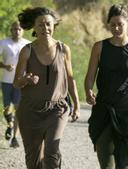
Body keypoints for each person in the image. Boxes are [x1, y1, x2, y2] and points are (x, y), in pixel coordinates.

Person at [85, 4, 128, 169]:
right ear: (108, 24)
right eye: (112, 24)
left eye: (120, 24)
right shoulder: (99, 47)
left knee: (123, 162)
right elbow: (90, 75)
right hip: (104, 106)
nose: (116, 28)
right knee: (105, 157)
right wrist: (88, 90)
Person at [13, 7, 80, 169]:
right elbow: (16, 82)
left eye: (48, 24)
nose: (45, 28)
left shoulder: (63, 50)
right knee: (33, 159)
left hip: (56, 109)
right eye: (40, 25)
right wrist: (26, 79)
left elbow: (70, 79)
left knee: (52, 150)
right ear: (34, 28)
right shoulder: (27, 51)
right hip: (30, 111)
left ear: (54, 26)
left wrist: (77, 105)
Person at [0, 21, 30, 148]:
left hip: (21, 82)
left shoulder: (28, 44)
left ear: (23, 30)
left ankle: (14, 137)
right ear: (11, 30)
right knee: (7, 108)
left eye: (19, 29)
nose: (17, 31)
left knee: (19, 109)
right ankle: (10, 125)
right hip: (6, 81)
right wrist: (5, 66)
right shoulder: (4, 43)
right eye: (14, 29)